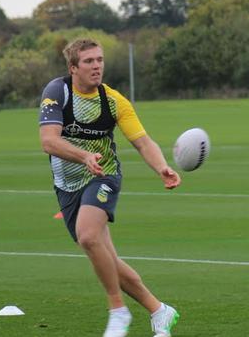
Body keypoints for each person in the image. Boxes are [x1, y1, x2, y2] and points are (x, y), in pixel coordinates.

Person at [39, 38, 181, 337]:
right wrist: (83, 155)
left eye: (100, 60)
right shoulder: (58, 92)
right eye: (89, 61)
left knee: (89, 237)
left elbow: (142, 141)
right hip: (67, 186)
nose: (97, 66)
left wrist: (162, 167)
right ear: (73, 67)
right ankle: (159, 310)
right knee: (108, 260)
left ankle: (118, 311)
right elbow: (48, 141)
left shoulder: (115, 101)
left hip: (104, 176)